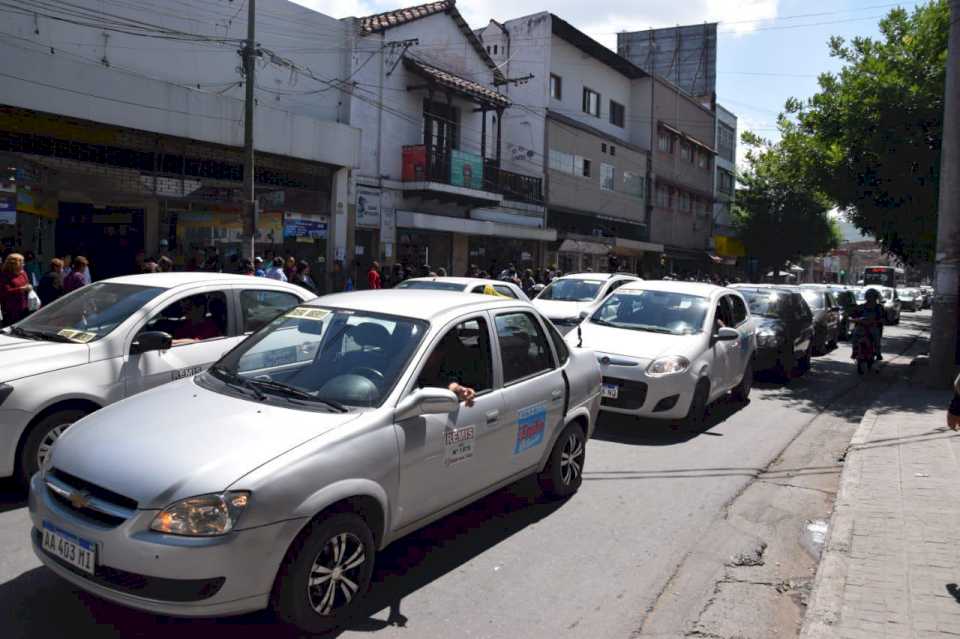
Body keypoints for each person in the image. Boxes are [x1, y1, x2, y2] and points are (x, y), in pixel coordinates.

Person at [418, 331, 478, 406]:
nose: (436, 356)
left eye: (439, 350)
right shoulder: (409, 367)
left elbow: (449, 384)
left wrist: (460, 391)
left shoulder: (442, 372)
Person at [851, 288, 885, 362]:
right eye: (868, 296)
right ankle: (855, 351)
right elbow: (853, 315)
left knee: (876, 338)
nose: (870, 298)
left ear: (875, 297)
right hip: (861, 327)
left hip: (873, 327)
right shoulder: (861, 307)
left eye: (871, 296)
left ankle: (878, 352)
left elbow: (883, 318)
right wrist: (853, 318)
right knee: (854, 335)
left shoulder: (879, 307)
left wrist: (878, 321)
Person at [0, 253, 32, 327]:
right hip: (11, 310)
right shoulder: (4, 275)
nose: (24, 264)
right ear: (14, 264)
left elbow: (27, 283)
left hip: (25, 307)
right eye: (22, 262)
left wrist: (29, 287)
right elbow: (4, 292)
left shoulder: (23, 273)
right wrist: (21, 289)